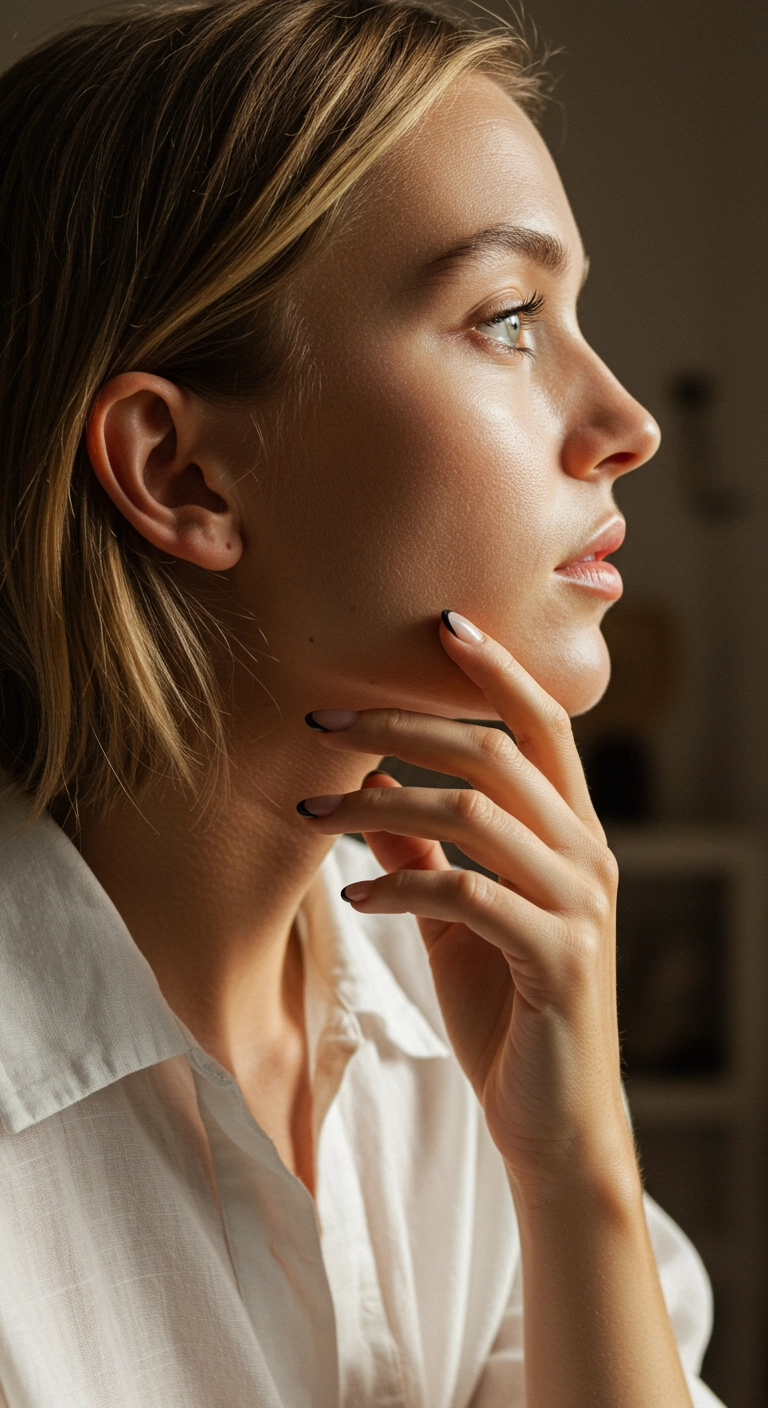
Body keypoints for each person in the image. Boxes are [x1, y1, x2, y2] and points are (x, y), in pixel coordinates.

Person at [0, 2, 722, 1404]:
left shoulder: (463, 1003)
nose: (626, 420)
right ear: (183, 474)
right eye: (509, 319)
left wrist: (575, 1162)